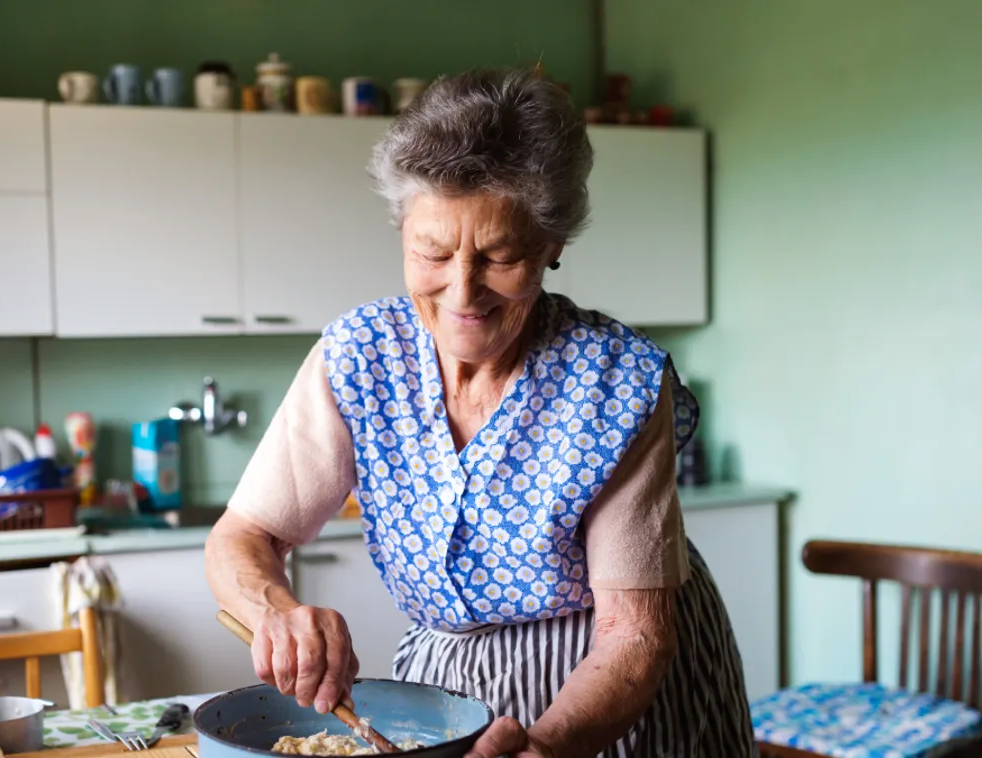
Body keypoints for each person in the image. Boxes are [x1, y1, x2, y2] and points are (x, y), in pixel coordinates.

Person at [204, 66, 755, 757]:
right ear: (402, 232)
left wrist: (549, 744)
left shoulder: (618, 382)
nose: (462, 292)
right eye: (431, 252)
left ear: (552, 245)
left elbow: (632, 635)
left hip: (613, 699)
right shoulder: (358, 355)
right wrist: (275, 613)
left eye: (499, 256)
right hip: (444, 687)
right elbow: (242, 536)